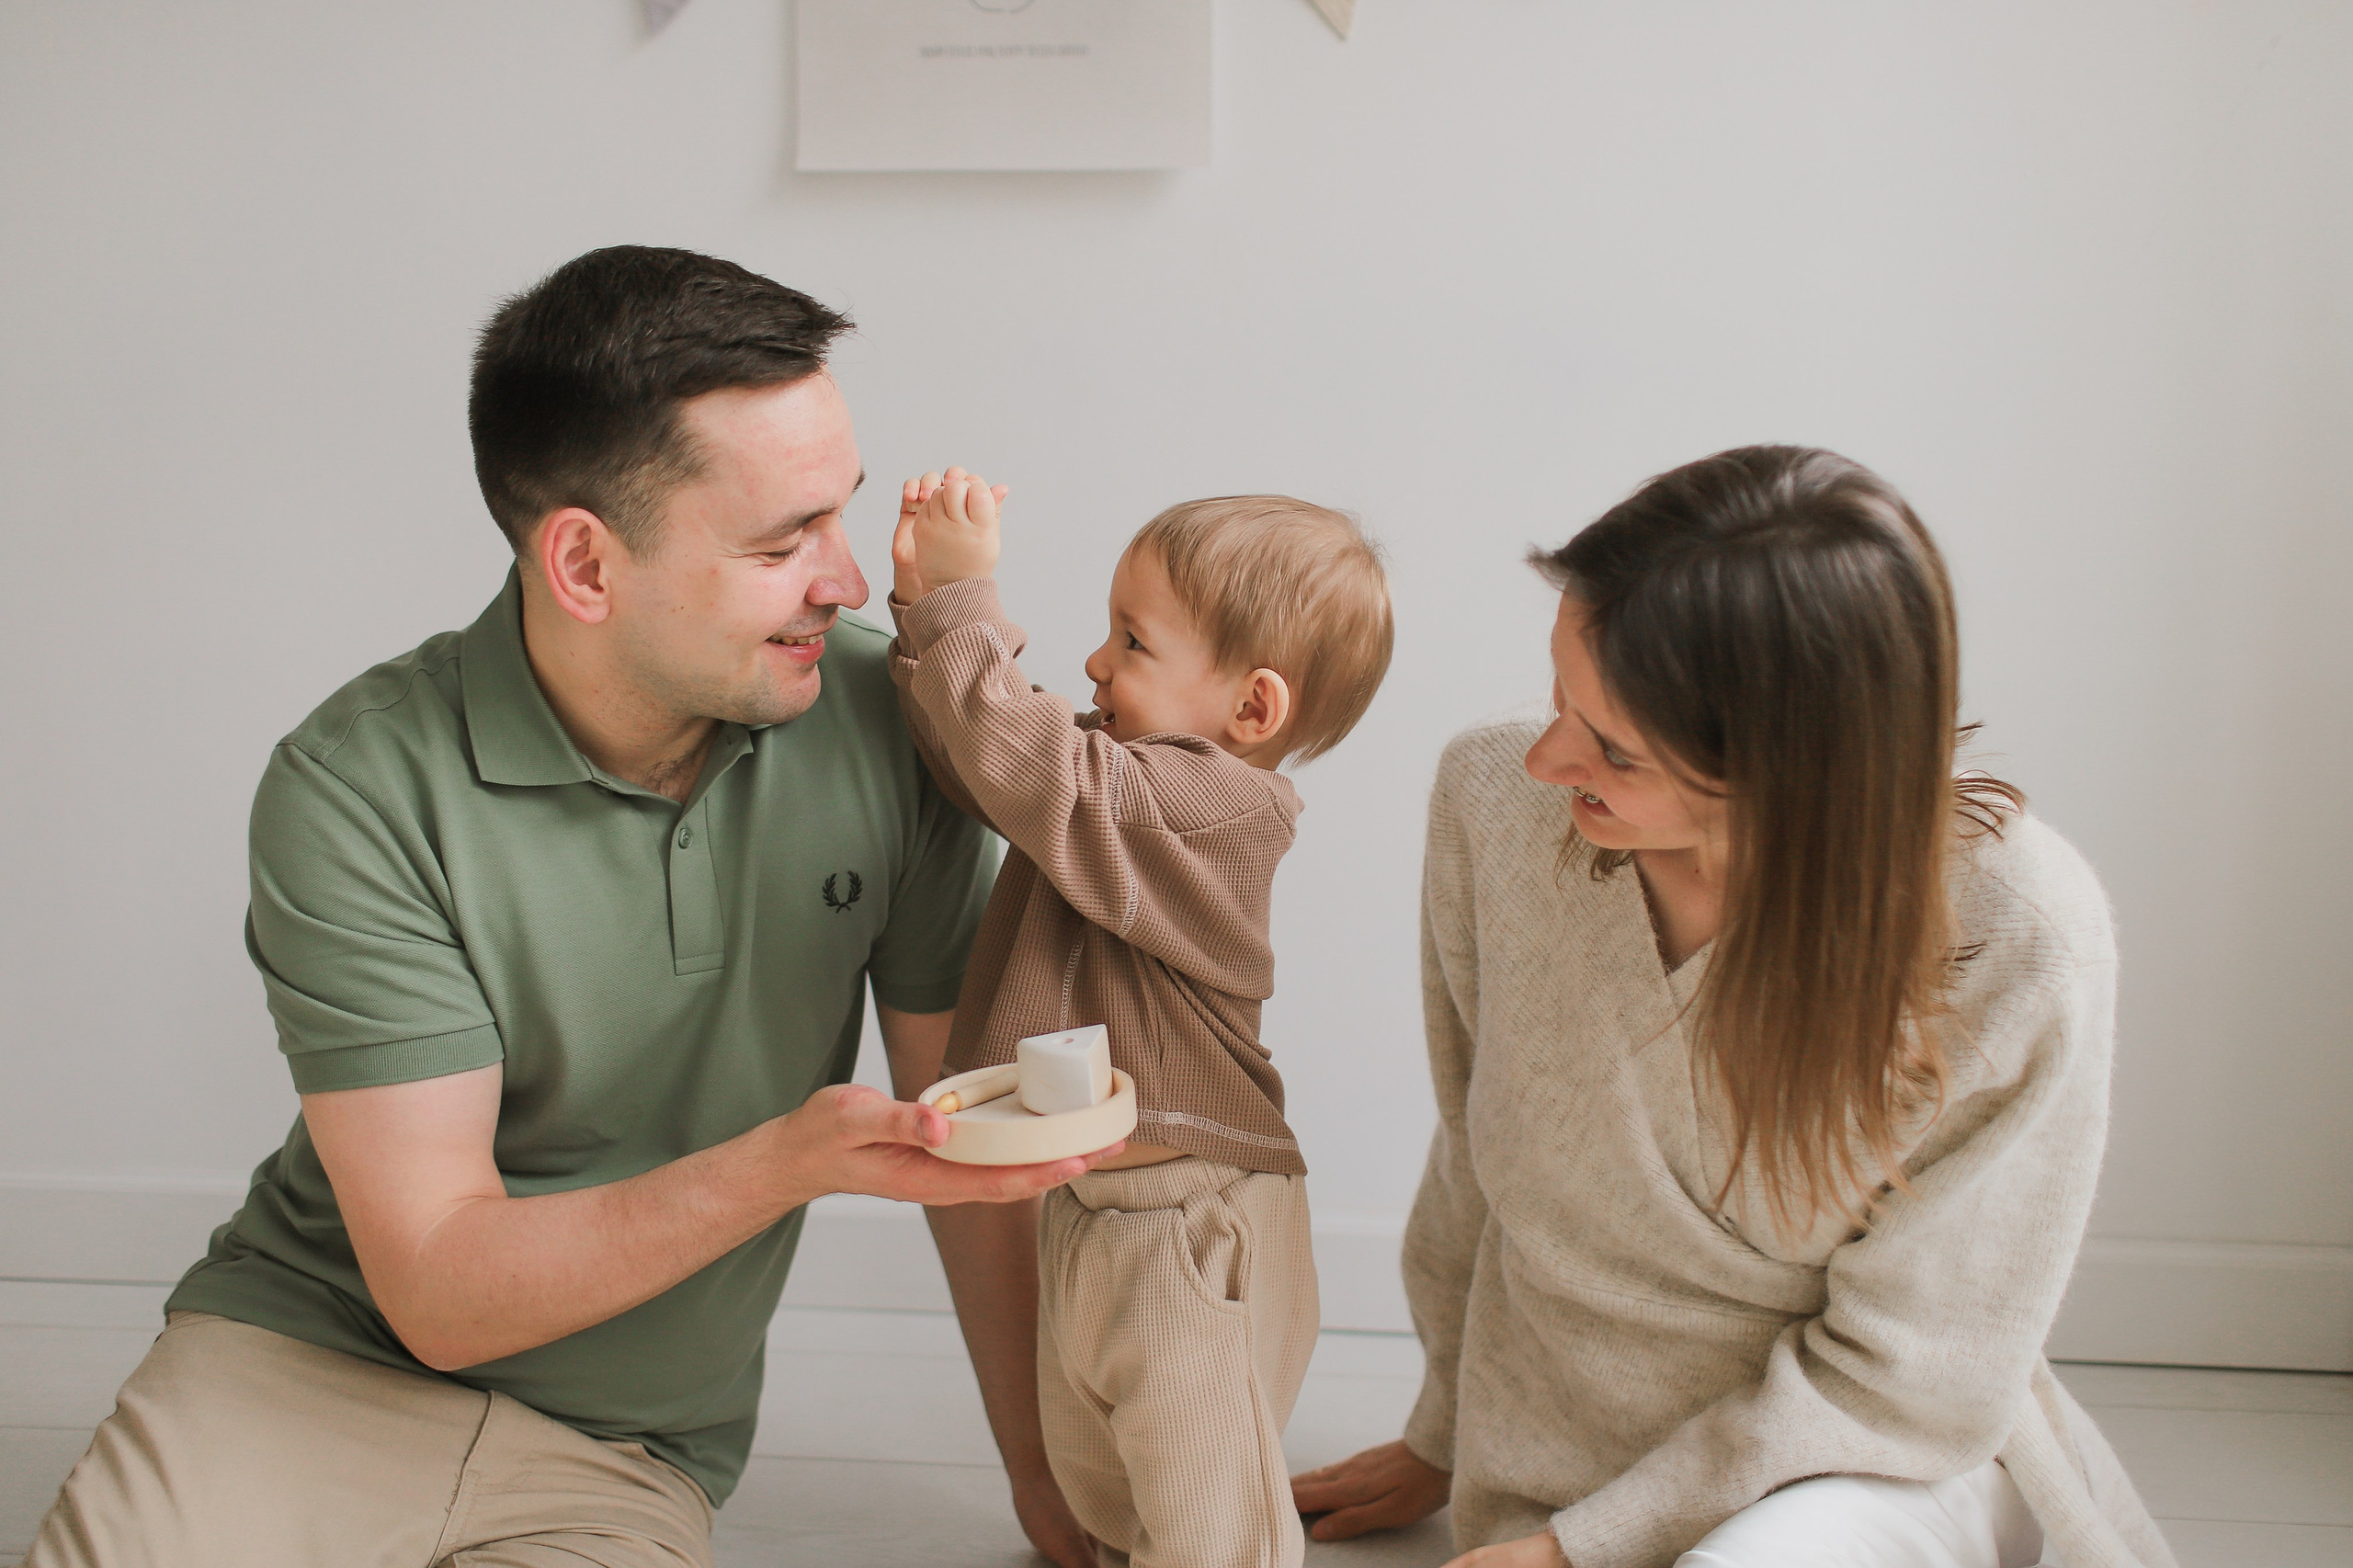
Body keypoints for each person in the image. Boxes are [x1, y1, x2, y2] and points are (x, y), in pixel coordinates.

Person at [23, 247, 1121, 1568]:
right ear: (586, 566)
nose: (846, 578)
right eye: (784, 541)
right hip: (297, 1367)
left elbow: (969, 1149)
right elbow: (437, 1289)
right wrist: (782, 1162)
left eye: (842, 514)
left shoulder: (899, 732)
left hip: (619, 1448)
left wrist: (1043, 1472)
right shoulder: (357, 789)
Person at [1290, 448, 2179, 1568]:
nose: (1550, 756)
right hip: (1549, 1462)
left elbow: (1915, 1378)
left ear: (1801, 768)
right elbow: (1477, 1153)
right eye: (1560, 692)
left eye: (1615, 747)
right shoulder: (1494, 795)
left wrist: (1591, 1546)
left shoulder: (2018, 937)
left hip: (1862, 1467)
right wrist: (1441, 1433)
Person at [884, 472, 1394, 1568]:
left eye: (1133, 640)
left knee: (1207, 1513)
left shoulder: (1221, 807)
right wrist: (929, 608)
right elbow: (989, 767)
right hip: (1095, 1209)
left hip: (1191, 1215)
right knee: (1107, 1484)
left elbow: (1037, 771)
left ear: (1252, 710)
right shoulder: (1110, 786)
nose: (1095, 662)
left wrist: (970, 600)